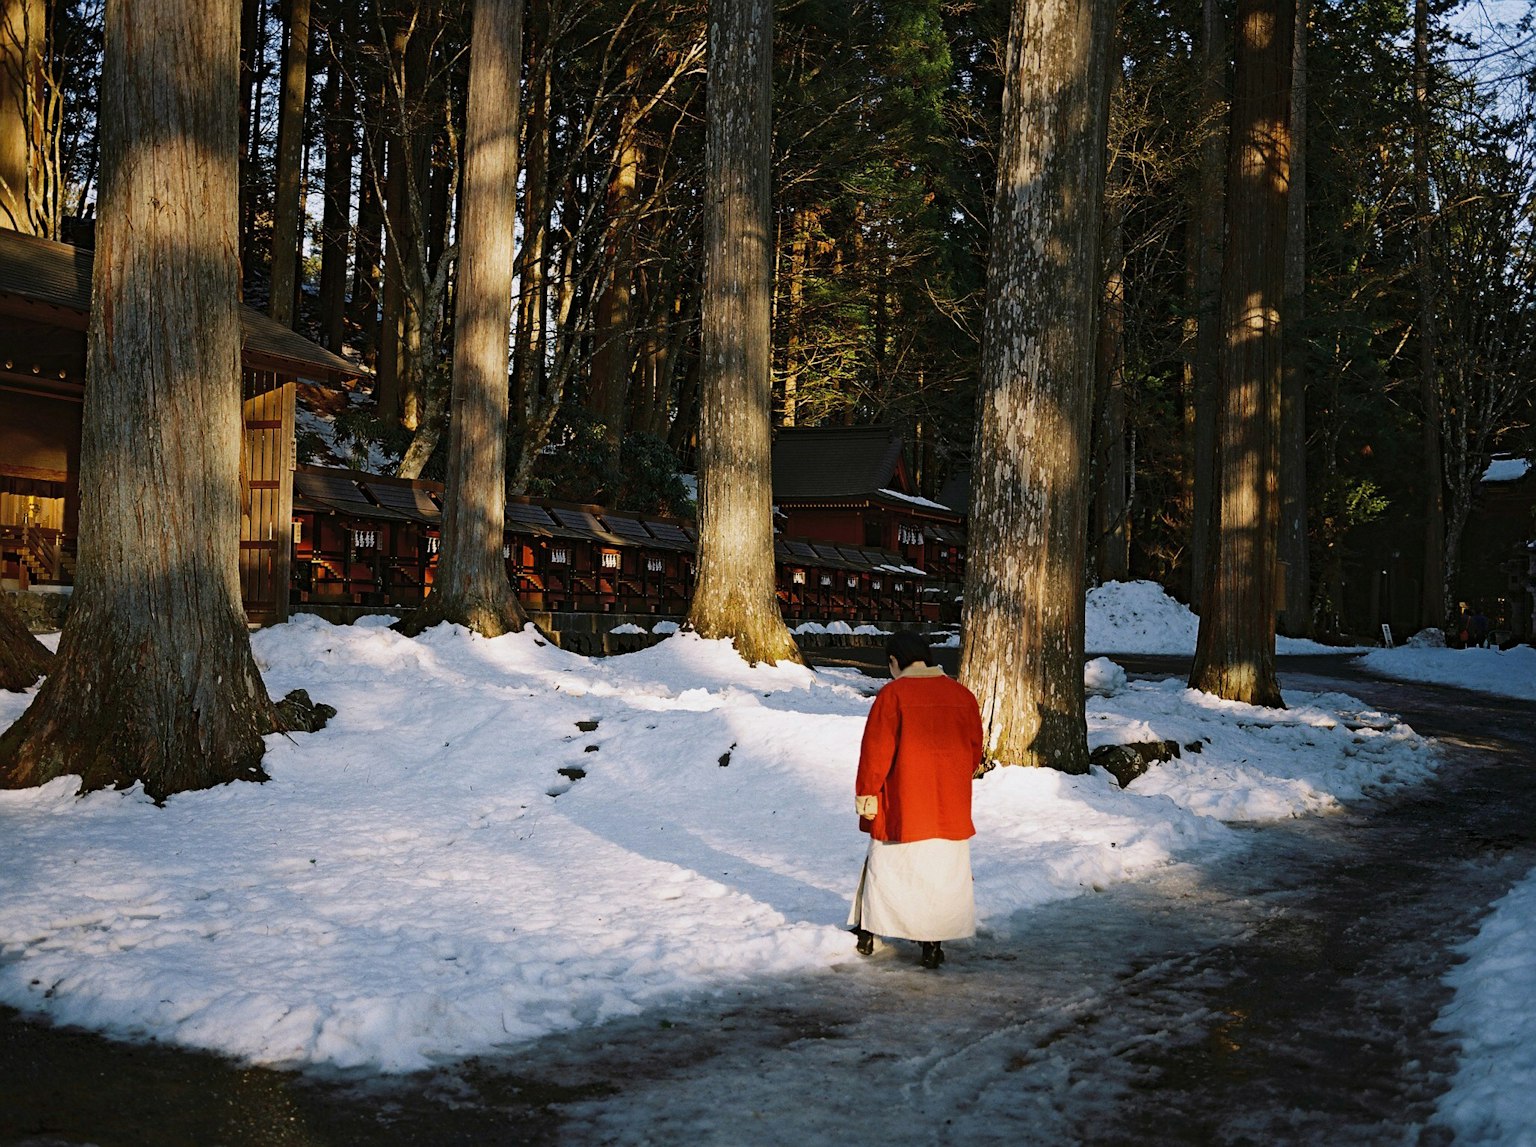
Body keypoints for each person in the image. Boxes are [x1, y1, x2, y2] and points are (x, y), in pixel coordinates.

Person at [848, 630, 985, 969]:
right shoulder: (962, 696)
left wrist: (866, 793)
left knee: (890, 869)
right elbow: (973, 752)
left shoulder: (893, 696)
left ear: (895, 661)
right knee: (939, 874)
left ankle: (871, 931)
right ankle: (932, 943)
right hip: (947, 806)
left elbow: (875, 755)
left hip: (903, 805)